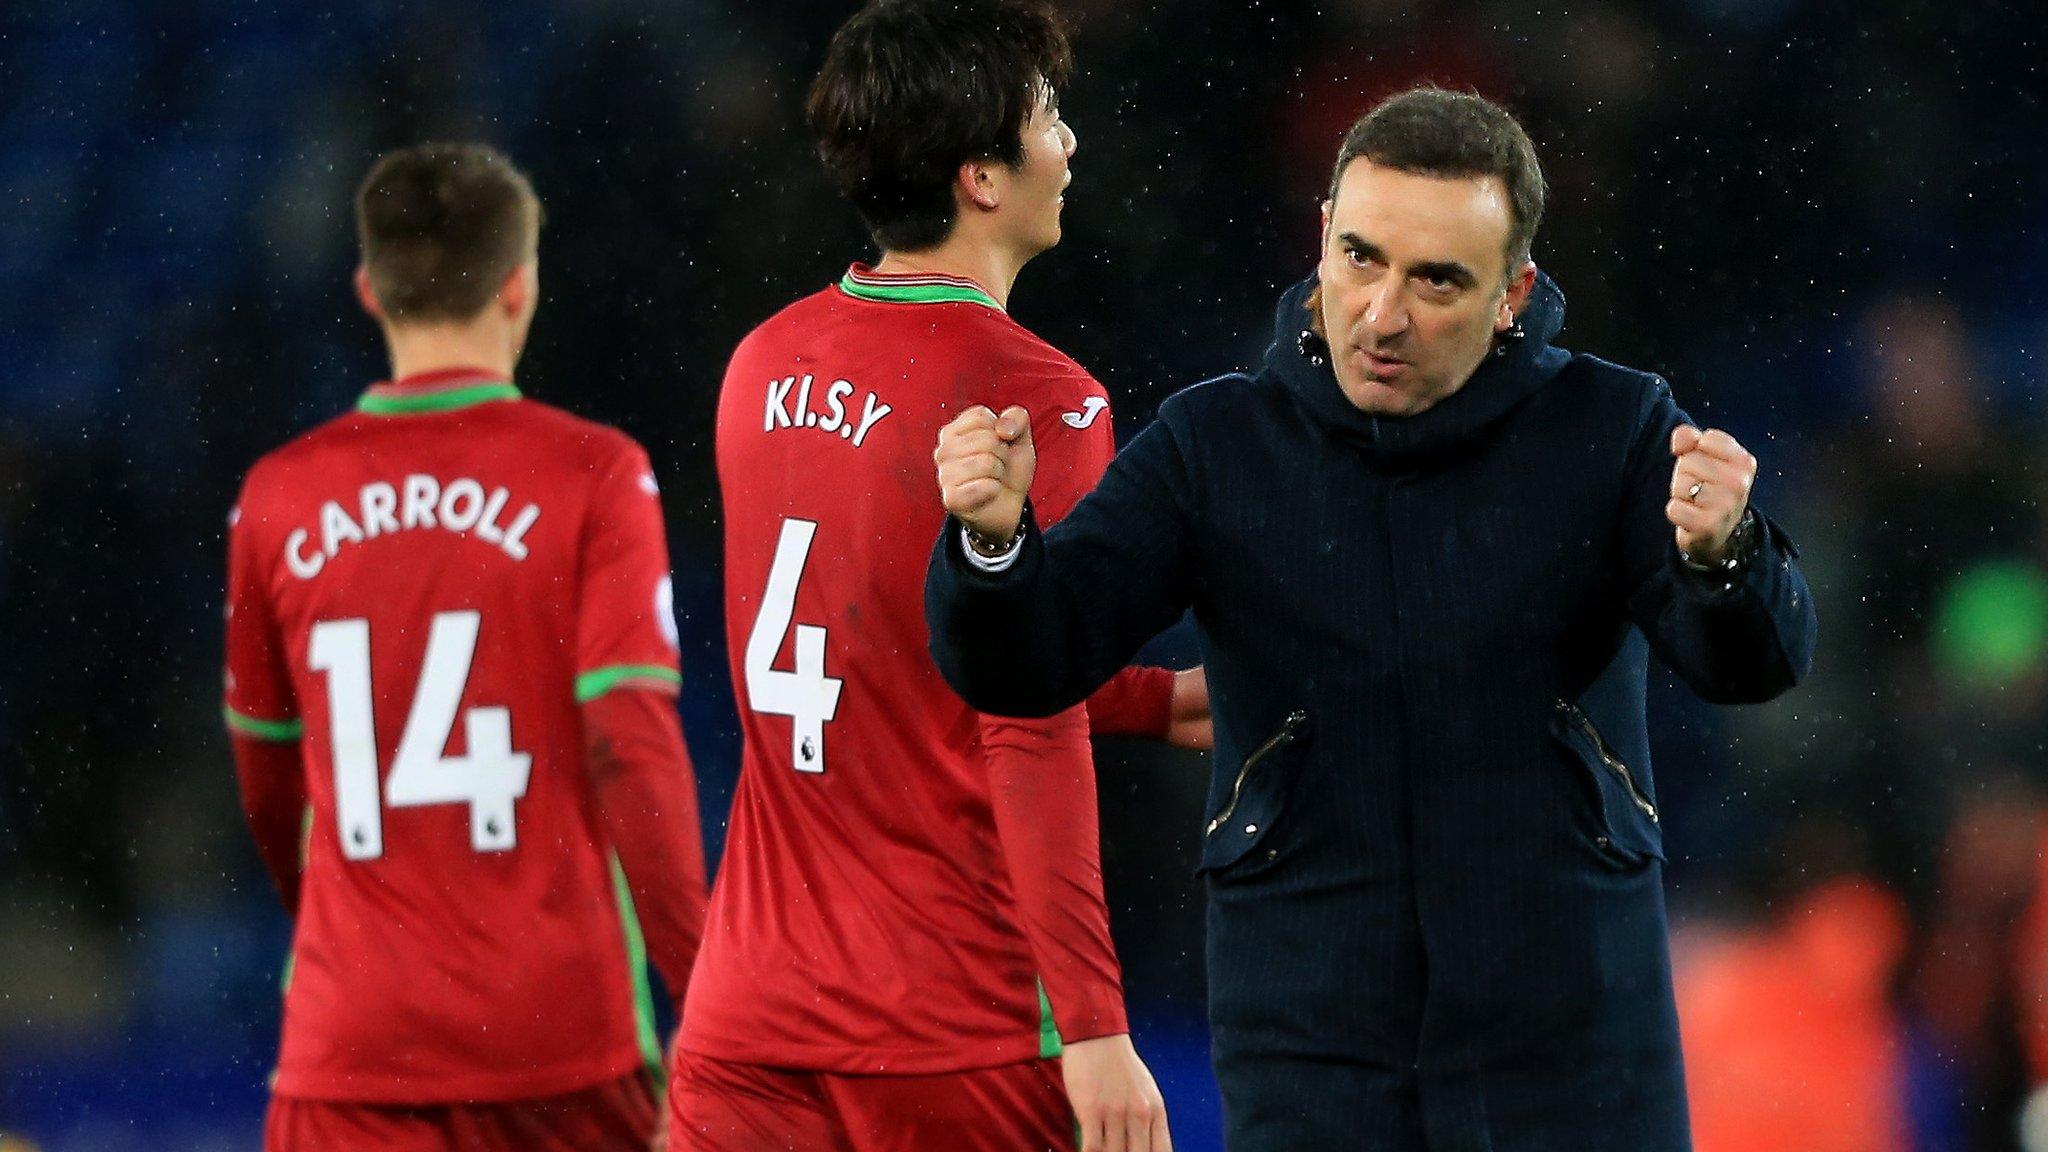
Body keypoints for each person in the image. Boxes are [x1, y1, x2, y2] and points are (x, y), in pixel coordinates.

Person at [927, 87, 1818, 1150]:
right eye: (1359, 258)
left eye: (1435, 280)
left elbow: (1747, 666)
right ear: (1321, 238)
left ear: (1511, 293)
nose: (1381, 313)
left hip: (1573, 1050)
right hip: (1310, 1053)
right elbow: (1032, 659)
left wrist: (1725, 557)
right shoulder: (1217, 444)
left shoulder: (1613, 429)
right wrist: (991, 544)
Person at [668, 3, 1201, 1150]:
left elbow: (873, 658)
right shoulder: (1034, 396)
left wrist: (1151, 701)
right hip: (953, 1029)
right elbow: (1021, 720)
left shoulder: (759, 363)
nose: (1071, 145)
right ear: (982, 179)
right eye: (1048, 117)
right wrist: (1096, 1029)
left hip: (747, 1019)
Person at [223, 142, 707, 1151]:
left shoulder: (276, 495)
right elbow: (628, 738)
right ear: (520, 286)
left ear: (366, 288)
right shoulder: (592, 473)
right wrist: (706, 992)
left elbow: (268, 777)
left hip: (350, 1048)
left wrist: (347, 926)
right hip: (556, 1039)